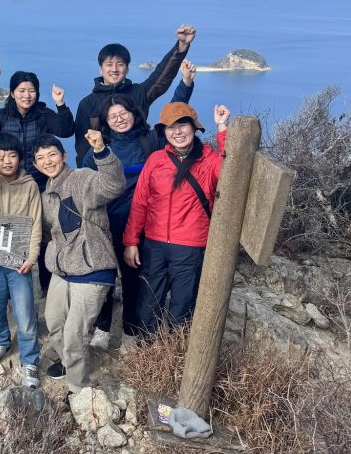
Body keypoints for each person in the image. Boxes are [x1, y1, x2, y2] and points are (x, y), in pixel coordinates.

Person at [82, 59, 197, 351]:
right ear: (105, 122)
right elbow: (85, 187)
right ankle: (102, 328)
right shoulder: (97, 151)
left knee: (135, 279)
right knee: (104, 277)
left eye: (124, 113)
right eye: (113, 116)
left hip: (143, 226)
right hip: (107, 224)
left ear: (134, 113)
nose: (119, 119)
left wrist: (185, 84)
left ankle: (131, 332)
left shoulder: (151, 141)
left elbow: (175, 121)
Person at [123, 103, 231, 333]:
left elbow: (231, 170)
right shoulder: (156, 160)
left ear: (194, 128)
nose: (177, 132)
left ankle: (174, 351)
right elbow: (140, 203)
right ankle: (147, 349)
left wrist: (222, 127)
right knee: (148, 305)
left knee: (182, 307)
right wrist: (131, 242)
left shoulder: (209, 160)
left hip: (190, 246)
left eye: (183, 125)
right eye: (170, 127)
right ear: (164, 132)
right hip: (154, 244)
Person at [33, 132, 125, 393]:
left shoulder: (82, 178)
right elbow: (46, 232)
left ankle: (77, 387)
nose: (47, 161)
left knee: (75, 333)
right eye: (41, 158)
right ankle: (69, 362)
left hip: (92, 267)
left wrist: (101, 152)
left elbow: (113, 185)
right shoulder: (46, 195)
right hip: (63, 268)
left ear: (63, 156)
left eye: (52, 154)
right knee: (54, 323)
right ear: (36, 165)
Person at [0, 73, 74, 294]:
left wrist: (60, 104)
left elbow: (66, 130)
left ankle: (46, 284)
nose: (27, 95)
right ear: (12, 93)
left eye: (31, 90)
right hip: (10, 185)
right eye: (21, 90)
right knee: (8, 230)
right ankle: (9, 282)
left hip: (41, 184)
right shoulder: (0, 117)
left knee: (45, 233)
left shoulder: (43, 114)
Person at [73, 24, 197, 167]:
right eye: (109, 64)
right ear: (100, 69)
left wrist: (181, 47)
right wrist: (84, 174)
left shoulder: (138, 92)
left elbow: (162, 77)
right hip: (105, 166)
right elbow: (82, 147)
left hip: (143, 158)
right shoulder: (88, 104)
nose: (114, 69)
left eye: (120, 64)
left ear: (127, 69)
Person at [0, 135, 44, 389]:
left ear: (20, 158)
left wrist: (32, 256)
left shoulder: (30, 185)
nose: (7, 161)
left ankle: (30, 360)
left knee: (25, 313)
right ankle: (1, 343)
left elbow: (35, 223)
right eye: (2, 156)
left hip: (18, 260)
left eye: (13, 155)